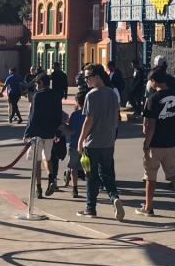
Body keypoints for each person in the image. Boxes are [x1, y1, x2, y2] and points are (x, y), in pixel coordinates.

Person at [137, 70, 175, 220]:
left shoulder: (153, 99)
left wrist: (146, 145)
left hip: (156, 144)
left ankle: (148, 207)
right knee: (174, 173)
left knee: (150, 175)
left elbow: (150, 126)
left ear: (154, 81)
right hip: (172, 142)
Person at [75, 65, 126, 221]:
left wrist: (80, 140)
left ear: (98, 77)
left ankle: (91, 208)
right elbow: (117, 117)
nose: (86, 80)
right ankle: (114, 197)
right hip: (109, 141)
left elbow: (88, 121)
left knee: (91, 176)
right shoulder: (112, 94)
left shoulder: (92, 95)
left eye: (88, 76)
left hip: (93, 142)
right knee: (107, 173)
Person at [23, 74, 64, 198]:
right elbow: (58, 115)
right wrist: (57, 132)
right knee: (47, 157)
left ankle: (38, 189)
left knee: (37, 160)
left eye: (36, 83)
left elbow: (33, 116)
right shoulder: (56, 95)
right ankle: (51, 178)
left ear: (40, 83)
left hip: (37, 132)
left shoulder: (38, 96)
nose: (35, 86)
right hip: (50, 131)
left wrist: (27, 133)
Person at [63, 91, 87, 197]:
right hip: (87, 144)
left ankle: (75, 189)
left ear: (77, 102)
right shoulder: (89, 114)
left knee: (73, 167)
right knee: (87, 167)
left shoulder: (75, 115)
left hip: (74, 144)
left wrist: (64, 125)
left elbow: (72, 131)